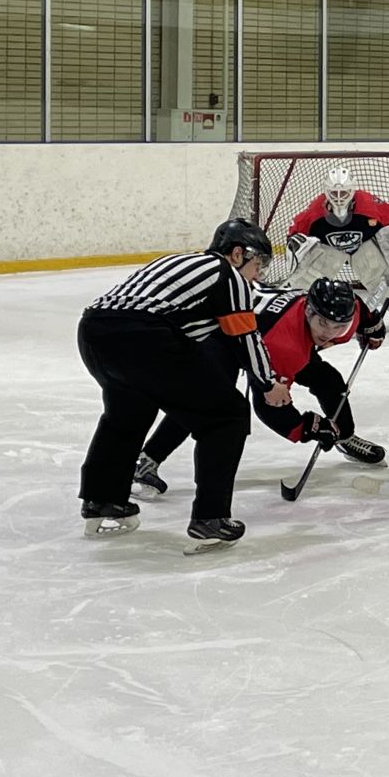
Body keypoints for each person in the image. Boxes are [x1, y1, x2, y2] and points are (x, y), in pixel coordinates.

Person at [77, 218, 291, 553]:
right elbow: (245, 336)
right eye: (258, 263)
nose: (259, 274)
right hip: (144, 336)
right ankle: (211, 518)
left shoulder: (177, 261)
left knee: (128, 413)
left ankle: (103, 499)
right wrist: (268, 383)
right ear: (237, 254)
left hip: (93, 330)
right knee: (228, 415)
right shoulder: (228, 275)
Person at [134, 278, 387, 495]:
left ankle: (344, 435)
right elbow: (268, 404)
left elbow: (358, 308)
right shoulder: (283, 345)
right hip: (221, 337)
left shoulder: (343, 311)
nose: (329, 333)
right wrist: (305, 429)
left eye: (339, 326)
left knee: (327, 379)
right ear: (309, 310)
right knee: (205, 401)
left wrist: (372, 327)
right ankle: (147, 459)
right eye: (323, 323)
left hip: (267, 332)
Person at [284, 167, 389, 320]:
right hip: (329, 251)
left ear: (353, 190)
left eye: (344, 193)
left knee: (381, 275)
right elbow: (295, 230)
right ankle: (297, 310)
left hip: (363, 249)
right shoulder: (316, 210)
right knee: (309, 278)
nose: (339, 197)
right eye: (334, 193)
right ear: (326, 192)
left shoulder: (368, 203)